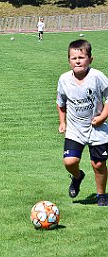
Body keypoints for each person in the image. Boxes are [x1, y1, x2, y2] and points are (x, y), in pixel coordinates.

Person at [57, 39, 108, 206]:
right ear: (69, 60)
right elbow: (61, 103)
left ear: (90, 59)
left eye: (81, 57)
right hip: (75, 129)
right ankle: (78, 177)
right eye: (73, 58)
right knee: (70, 161)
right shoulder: (64, 79)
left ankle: (101, 195)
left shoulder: (97, 77)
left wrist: (102, 117)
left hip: (97, 129)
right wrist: (62, 122)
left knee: (98, 164)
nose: (77, 61)